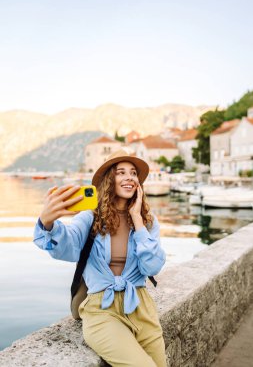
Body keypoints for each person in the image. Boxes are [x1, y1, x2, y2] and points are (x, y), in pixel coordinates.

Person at [33, 148, 167, 367]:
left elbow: (152, 267)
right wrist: (47, 223)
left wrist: (138, 220)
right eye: (121, 172)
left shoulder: (148, 222)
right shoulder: (90, 217)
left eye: (133, 173)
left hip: (141, 307)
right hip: (101, 310)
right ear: (109, 180)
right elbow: (68, 245)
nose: (129, 177)